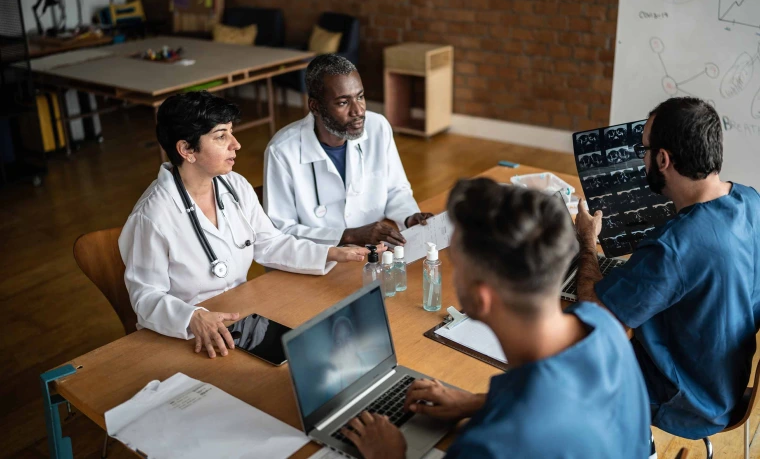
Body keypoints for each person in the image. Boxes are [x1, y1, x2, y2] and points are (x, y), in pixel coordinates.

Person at [343, 179, 651, 458]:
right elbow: (564, 398)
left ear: (481, 296)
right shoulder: (603, 325)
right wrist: (472, 403)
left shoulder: (490, 445)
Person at [118, 92, 367, 358]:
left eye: (231, 133)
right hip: (187, 337)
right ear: (187, 150)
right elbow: (145, 297)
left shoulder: (234, 186)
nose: (236, 144)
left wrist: (329, 252)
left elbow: (269, 243)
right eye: (221, 136)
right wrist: (192, 317)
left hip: (242, 319)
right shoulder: (152, 216)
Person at [576, 97, 760, 440]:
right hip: (726, 380)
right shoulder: (752, 202)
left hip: (688, 401)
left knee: (573, 351)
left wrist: (587, 242)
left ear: (663, 160)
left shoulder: (673, 248)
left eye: (643, 148)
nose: (642, 157)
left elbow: (597, 315)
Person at [263, 54, 432, 247]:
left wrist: (409, 217)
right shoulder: (282, 151)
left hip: (373, 251)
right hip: (319, 258)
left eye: (360, 97)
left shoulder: (378, 127)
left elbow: (395, 189)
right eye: (343, 102)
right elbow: (281, 230)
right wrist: (348, 236)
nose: (358, 111)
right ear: (315, 106)